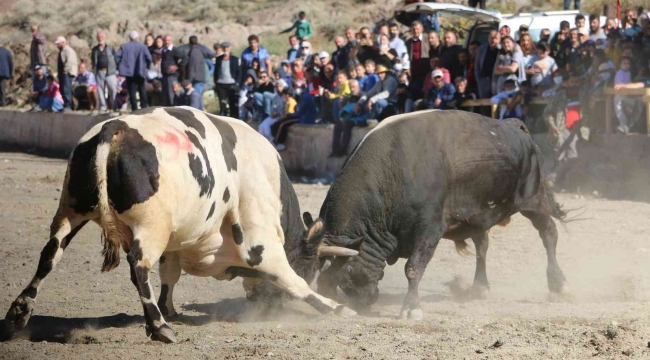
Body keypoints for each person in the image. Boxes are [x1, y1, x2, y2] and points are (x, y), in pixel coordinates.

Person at [272, 68, 319, 151]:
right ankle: (276, 140)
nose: (296, 88)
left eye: (298, 86)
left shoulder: (305, 96)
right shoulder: (300, 96)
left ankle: (277, 142)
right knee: (279, 123)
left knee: (283, 123)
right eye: (296, 86)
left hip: (305, 118)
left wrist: (288, 115)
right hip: (301, 115)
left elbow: (299, 112)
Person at [115, 31, 152, 111]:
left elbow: (117, 57)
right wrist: (147, 67)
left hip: (129, 73)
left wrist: (120, 67)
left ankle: (134, 109)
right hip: (140, 72)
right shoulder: (143, 47)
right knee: (142, 90)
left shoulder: (124, 47)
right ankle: (144, 108)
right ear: (137, 37)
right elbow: (149, 58)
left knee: (132, 92)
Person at [330, 79, 366, 157]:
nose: (352, 89)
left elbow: (364, 112)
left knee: (347, 124)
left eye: (354, 87)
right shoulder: (350, 97)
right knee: (337, 126)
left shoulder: (363, 96)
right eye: (350, 87)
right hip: (351, 118)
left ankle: (343, 149)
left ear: (358, 87)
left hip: (361, 119)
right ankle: (335, 150)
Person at [406, 20, 430, 111]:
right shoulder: (409, 42)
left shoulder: (427, 39)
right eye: (414, 29)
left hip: (426, 70)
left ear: (422, 29)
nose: (416, 31)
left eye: (417, 29)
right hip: (414, 72)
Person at [91, 31, 118, 112]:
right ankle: (103, 106)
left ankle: (114, 106)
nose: (100, 38)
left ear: (105, 37)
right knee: (100, 89)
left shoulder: (110, 47)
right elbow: (93, 61)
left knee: (113, 89)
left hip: (110, 72)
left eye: (102, 36)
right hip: (99, 71)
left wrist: (116, 70)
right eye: (99, 37)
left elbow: (115, 59)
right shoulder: (95, 49)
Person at [214, 41, 241, 117]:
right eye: (224, 47)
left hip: (231, 84)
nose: (226, 49)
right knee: (222, 103)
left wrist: (237, 83)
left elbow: (239, 72)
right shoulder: (218, 59)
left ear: (230, 48)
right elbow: (216, 71)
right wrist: (216, 83)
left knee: (233, 104)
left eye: (227, 47)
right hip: (221, 84)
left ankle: (234, 119)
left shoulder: (235, 59)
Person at [475, 30, 500, 100]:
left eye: (496, 38)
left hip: (496, 81)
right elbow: (476, 66)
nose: (493, 40)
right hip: (483, 80)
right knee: (484, 104)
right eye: (491, 38)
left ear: (499, 40)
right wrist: (479, 79)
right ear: (488, 38)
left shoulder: (501, 50)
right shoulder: (481, 49)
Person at [161, 35, 186, 106]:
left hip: (172, 76)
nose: (166, 42)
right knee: (165, 95)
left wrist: (177, 66)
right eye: (165, 40)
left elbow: (185, 57)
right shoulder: (164, 50)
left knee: (171, 94)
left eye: (168, 40)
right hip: (165, 75)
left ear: (171, 41)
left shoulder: (174, 50)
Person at [614, 57, 634, 133]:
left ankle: (625, 127)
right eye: (624, 63)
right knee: (620, 112)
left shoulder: (629, 73)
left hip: (627, 95)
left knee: (627, 111)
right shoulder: (619, 73)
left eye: (628, 63)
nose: (627, 65)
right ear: (620, 65)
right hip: (619, 96)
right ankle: (622, 126)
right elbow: (620, 84)